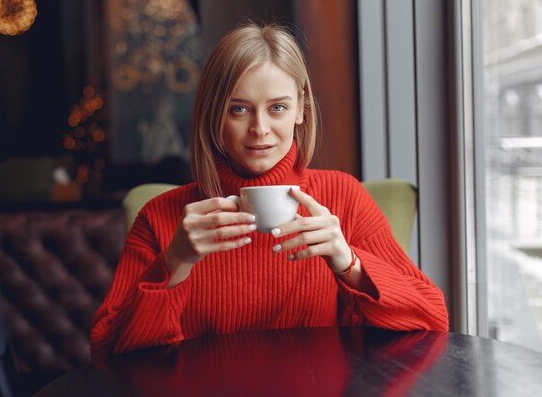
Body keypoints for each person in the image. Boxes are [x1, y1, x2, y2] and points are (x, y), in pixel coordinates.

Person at [90, 23, 449, 360]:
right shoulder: (162, 216)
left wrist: (348, 262)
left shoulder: (344, 196)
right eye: (239, 109)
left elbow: (434, 321)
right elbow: (106, 354)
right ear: (214, 115)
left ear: (300, 109)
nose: (260, 129)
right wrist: (175, 262)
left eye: (277, 107)